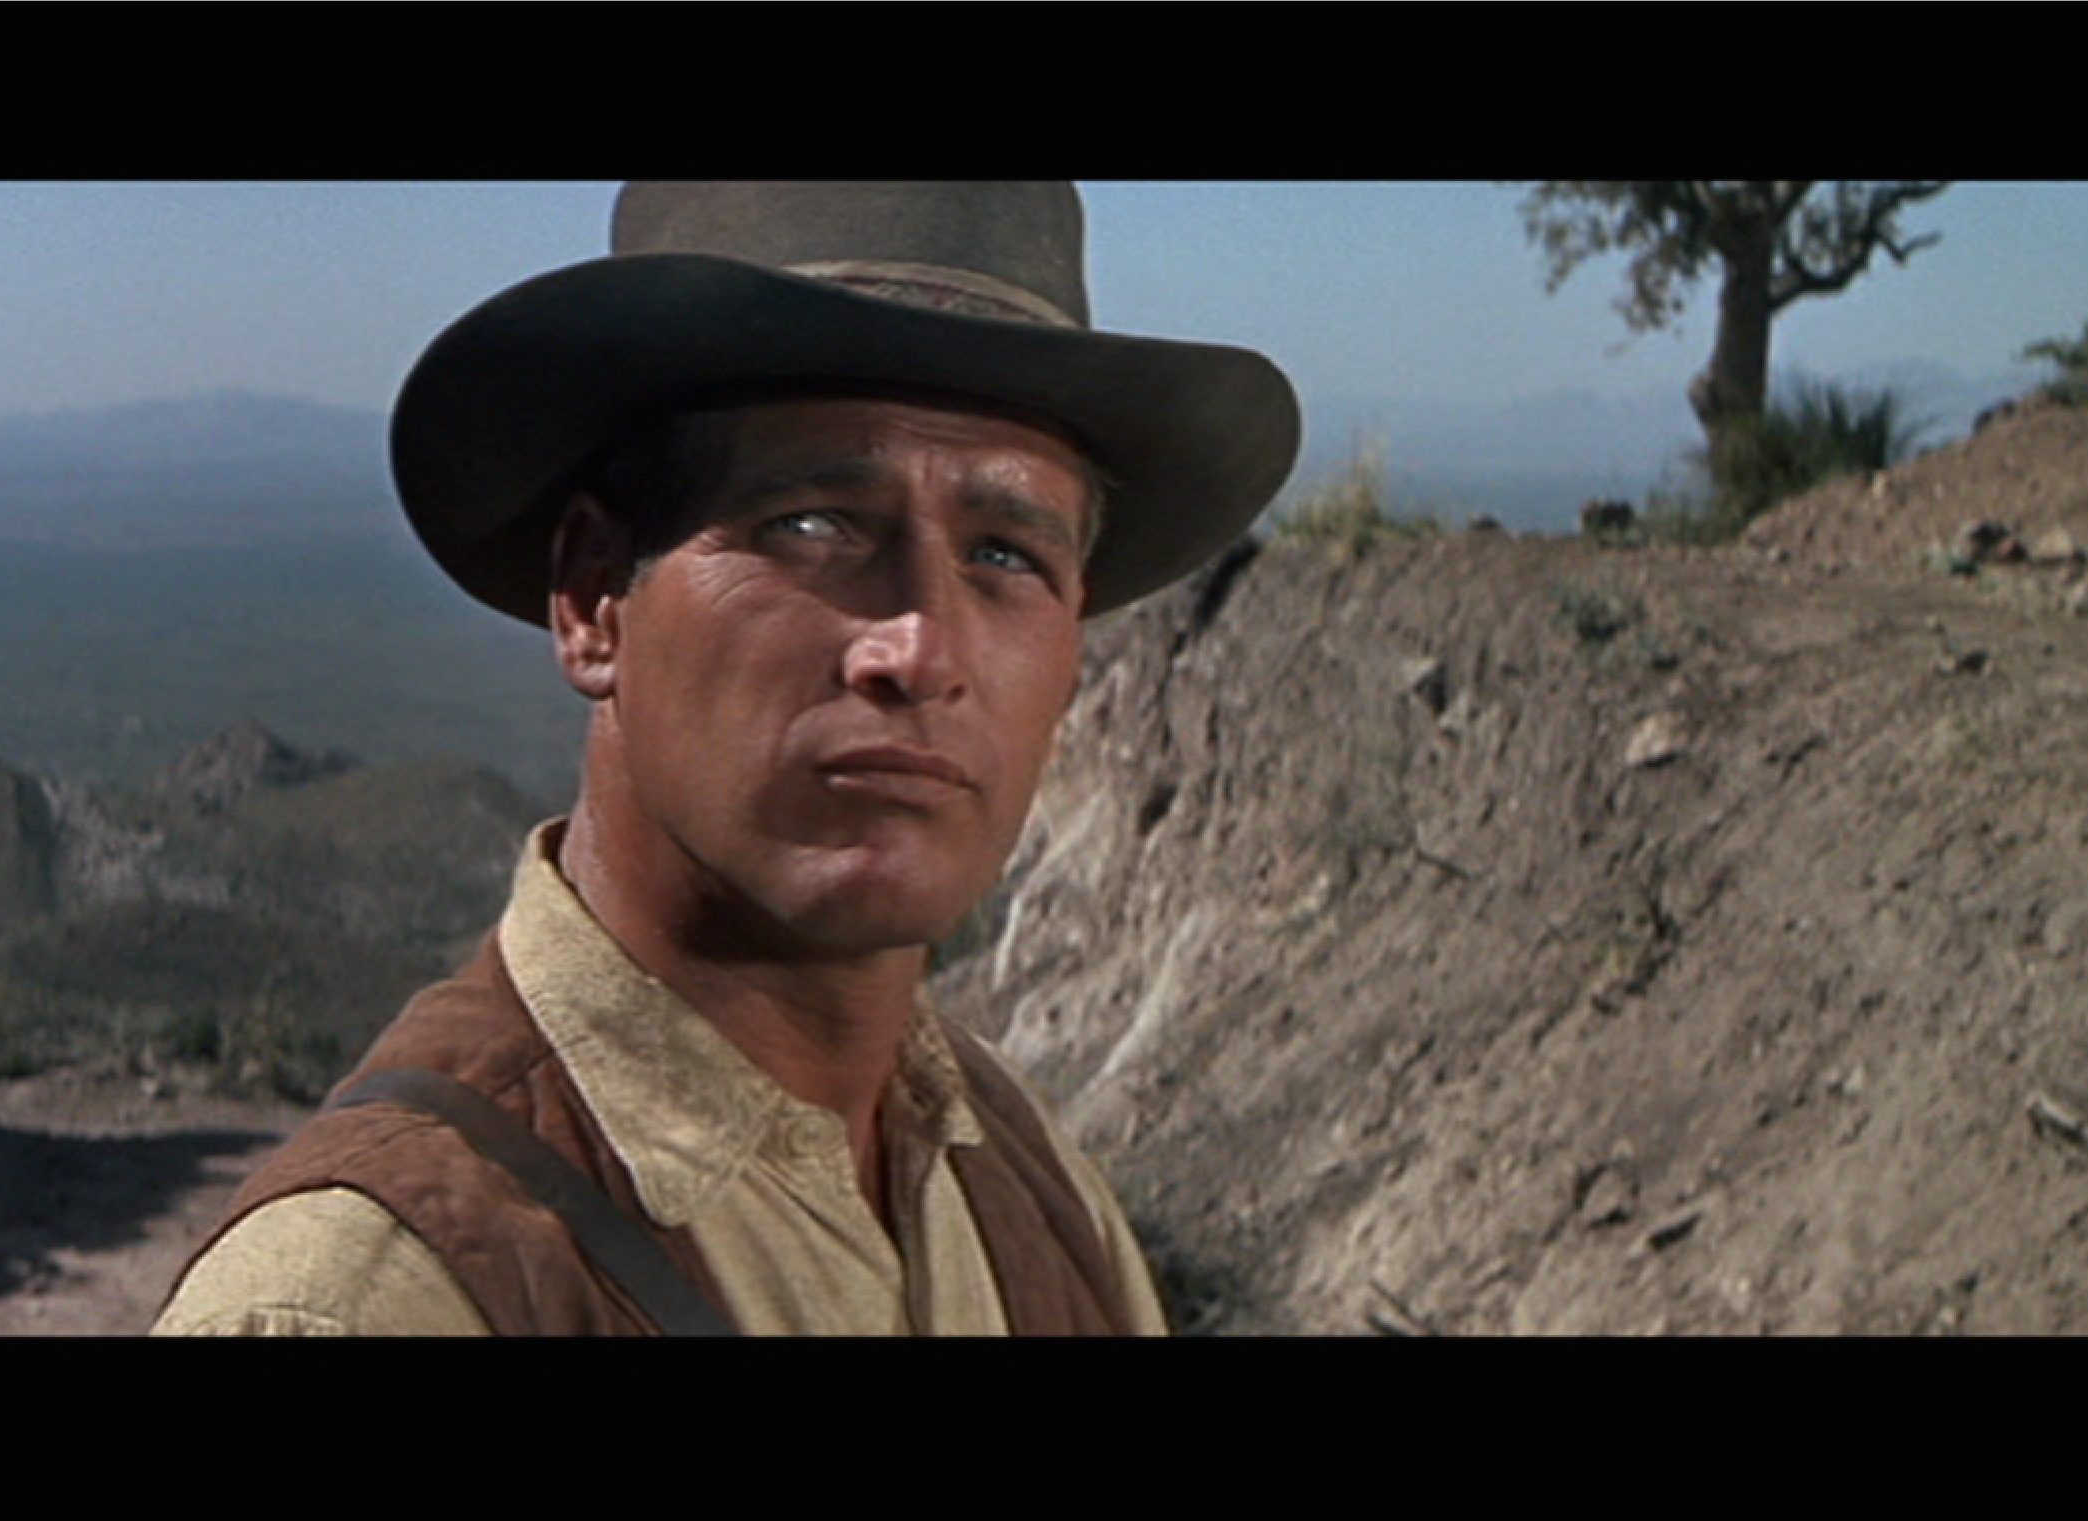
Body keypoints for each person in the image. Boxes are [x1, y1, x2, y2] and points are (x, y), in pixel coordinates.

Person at [153, 182, 1299, 1336]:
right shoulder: (373, 1299)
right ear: (594, 599)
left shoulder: (1029, 1190)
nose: (919, 648)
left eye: (1005, 554)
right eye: (812, 524)